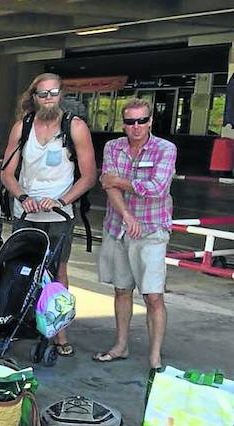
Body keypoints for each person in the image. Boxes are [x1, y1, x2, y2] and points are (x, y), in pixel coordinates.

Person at [0, 73, 96, 358]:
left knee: (57, 273)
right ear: (34, 97)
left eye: (53, 93)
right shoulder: (23, 127)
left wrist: (61, 200)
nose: (48, 98)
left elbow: (89, 176)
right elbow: (6, 172)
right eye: (42, 94)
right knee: (21, 269)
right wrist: (24, 197)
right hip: (26, 213)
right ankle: (19, 320)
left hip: (58, 215)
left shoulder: (75, 127)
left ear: (61, 95)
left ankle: (58, 333)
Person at [95, 98, 176, 369]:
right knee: (121, 290)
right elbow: (108, 187)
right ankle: (121, 345)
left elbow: (157, 188)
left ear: (151, 121)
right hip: (118, 228)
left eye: (142, 120)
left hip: (152, 229)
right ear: (123, 124)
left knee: (153, 296)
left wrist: (118, 180)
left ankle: (155, 357)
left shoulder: (165, 149)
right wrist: (127, 215)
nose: (136, 127)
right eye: (130, 122)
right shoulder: (112, 147)